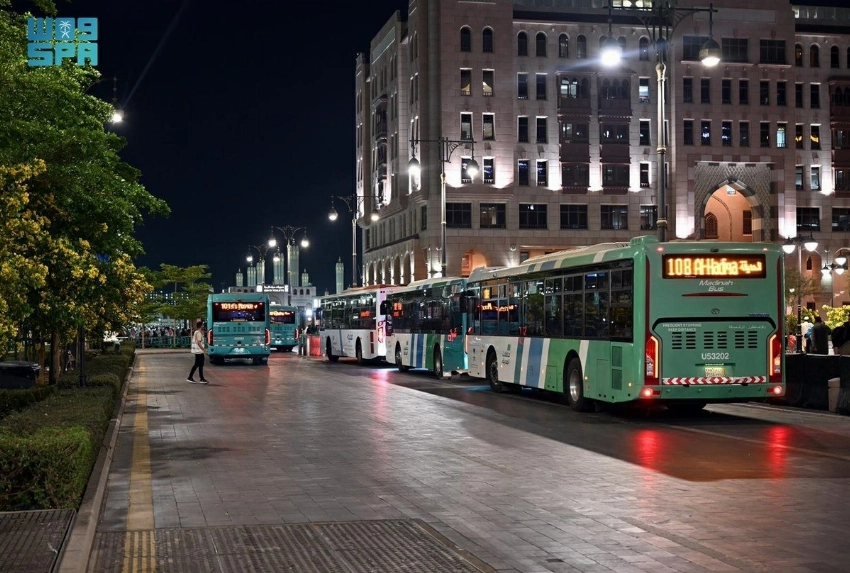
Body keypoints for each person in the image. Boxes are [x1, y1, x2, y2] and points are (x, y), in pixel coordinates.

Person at [187, 319, 208, 384]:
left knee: (198, 364)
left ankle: (198, 378)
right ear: (201, 326)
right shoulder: (198, 333)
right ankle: (197, 378)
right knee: (199, 364)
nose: (203, 327)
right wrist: (204, 350)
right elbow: (199, 342)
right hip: (199, 351)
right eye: (203, 325)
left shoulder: (196, 332)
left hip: (197, 351)